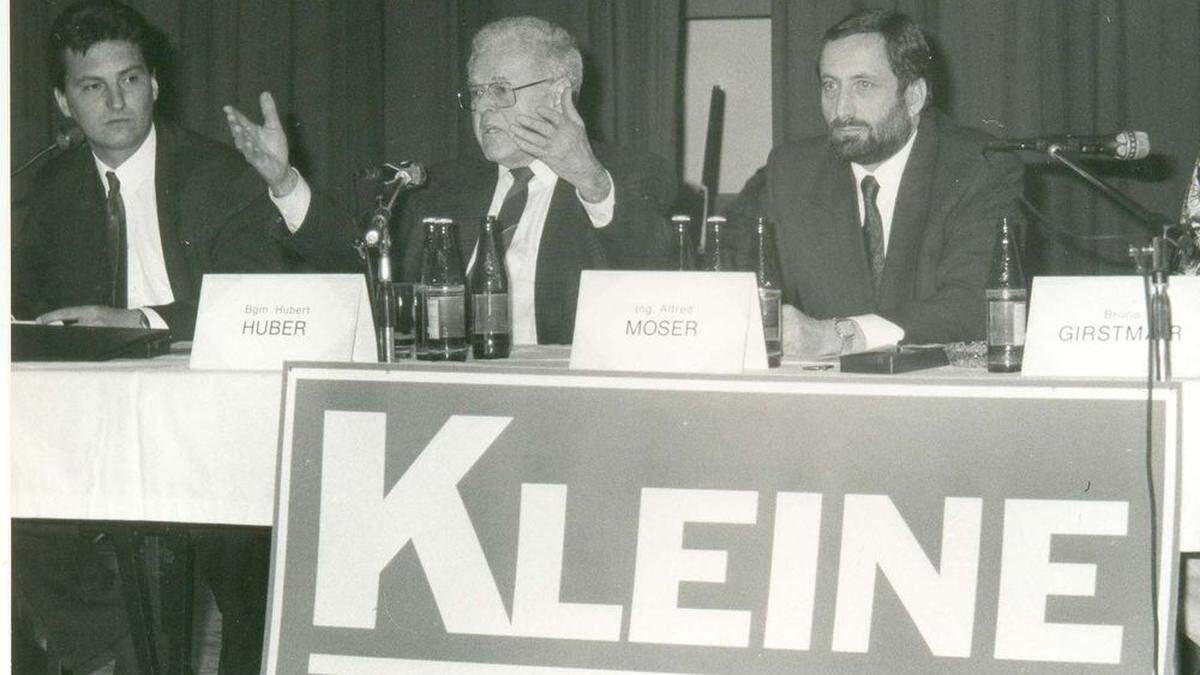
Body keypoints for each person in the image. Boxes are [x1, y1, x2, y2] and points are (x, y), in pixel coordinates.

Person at [10, 1, 323, 671]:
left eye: (130, 79)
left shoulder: (224, 173)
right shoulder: (39, 194)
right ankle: (125, 654)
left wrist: (140, 320)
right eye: (92, 87)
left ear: (156, 83)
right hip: (93, 435)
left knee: (254, 582)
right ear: (64, 102)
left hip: (217, 432)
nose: (116, 100)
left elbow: (260, 300)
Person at [729, 9, 1023, 358]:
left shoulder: (980, 166)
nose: (841, 110)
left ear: (913, 96)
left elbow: (977, 304)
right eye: (830, 85)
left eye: (863, 86)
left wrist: (839, 336)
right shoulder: (791, 171)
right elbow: (736, 284)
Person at [394, 16, 676, 344]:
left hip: (560, 386)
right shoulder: (438, 187)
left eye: (500, 90)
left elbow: (659, 282)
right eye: (476, 92)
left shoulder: (624, 174)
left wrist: (589, 178)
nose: (482, 106)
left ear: (559, 95)